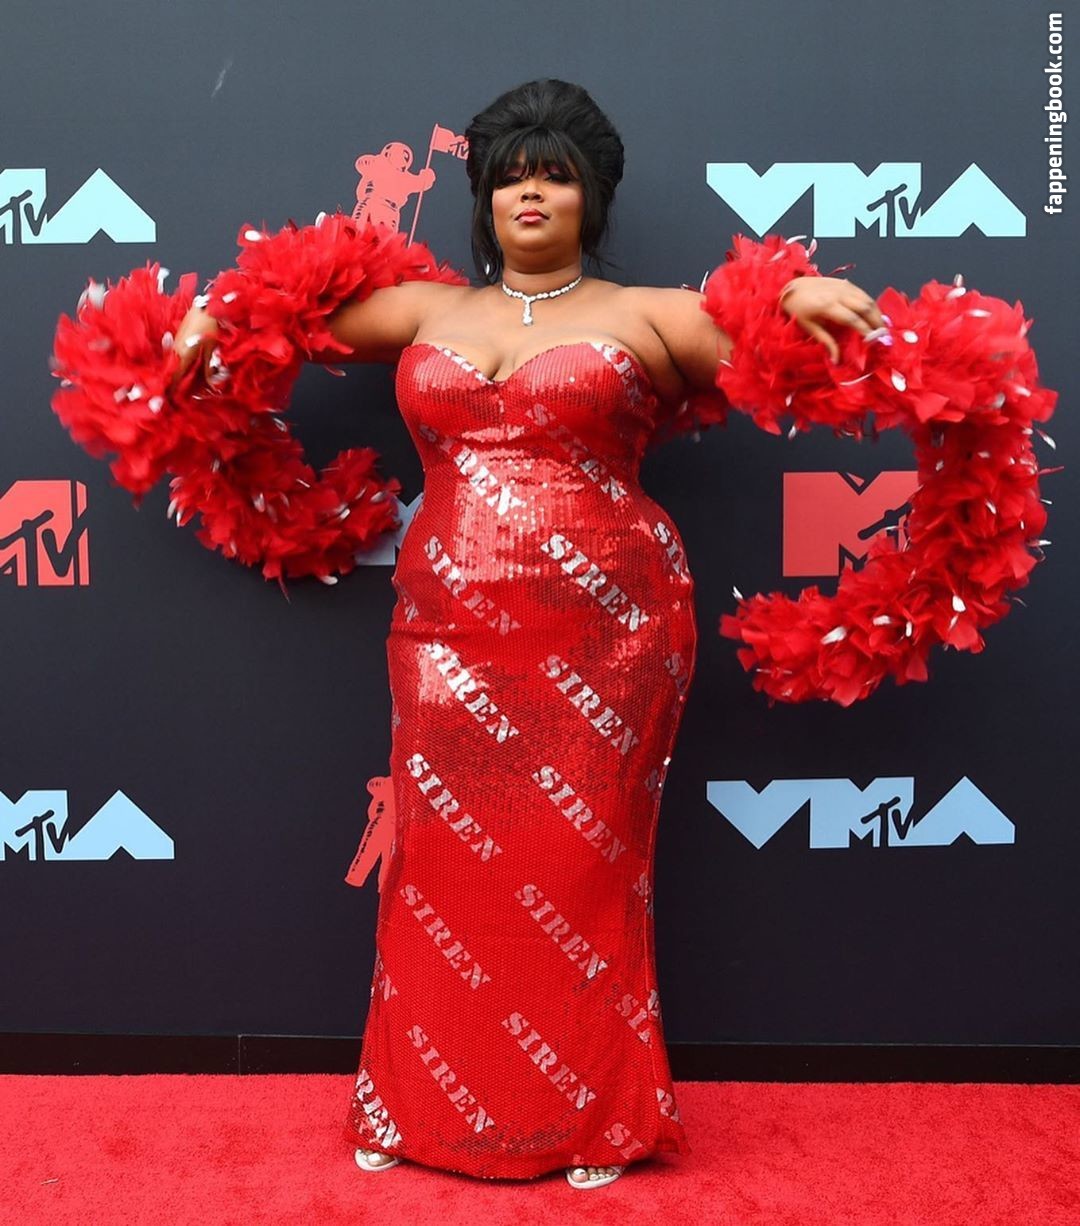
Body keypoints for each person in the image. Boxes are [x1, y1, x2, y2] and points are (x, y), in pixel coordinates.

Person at [168, 79, 883, 1189]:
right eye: (510, 177)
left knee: (587, 871)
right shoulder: (425, 310)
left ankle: (596, 1118)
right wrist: (215, 309)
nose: (531, 193)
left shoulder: (650, 313)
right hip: (446, 632)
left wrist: (794, 289)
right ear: (485, 200)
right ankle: (410, 1104)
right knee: (434, 867)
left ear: (592, 195)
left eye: (555, 174)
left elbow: (766, 331)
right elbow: (275, 316)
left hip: (609, 634)